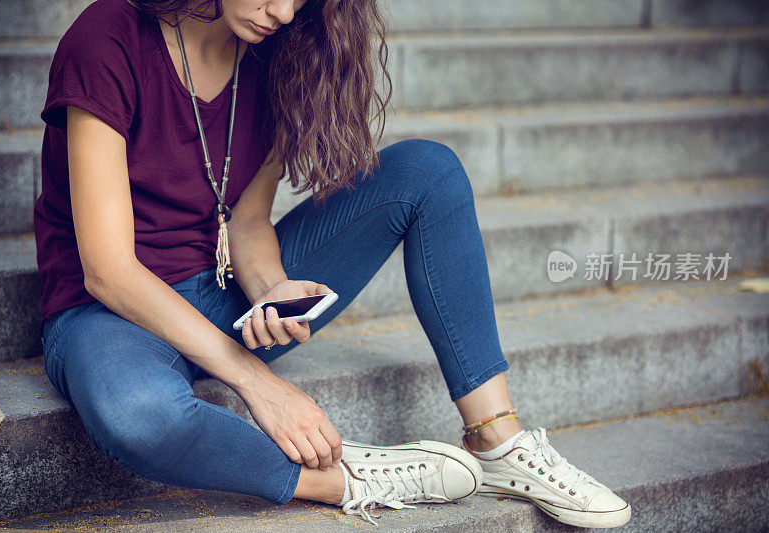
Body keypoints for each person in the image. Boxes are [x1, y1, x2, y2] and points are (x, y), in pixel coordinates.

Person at [34, 0, 631, 528]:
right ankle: (344, 481)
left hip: (218, 292)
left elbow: (245, 221)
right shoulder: (107, 37)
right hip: (110, 317)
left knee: (428, 171)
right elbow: (107, 269)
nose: (288, 11)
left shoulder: (273, 54)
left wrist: (271, 290)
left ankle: (498, 444)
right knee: (136, 415)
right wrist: (257, 381)